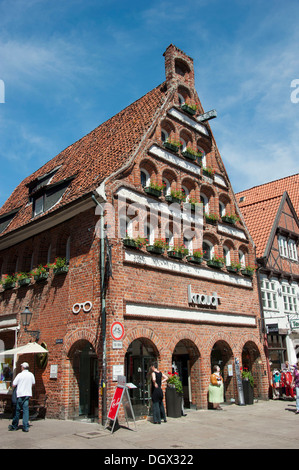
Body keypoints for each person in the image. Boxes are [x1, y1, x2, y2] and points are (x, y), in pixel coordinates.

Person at [8, 362, 35, 432]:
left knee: (17, 411)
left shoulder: (20, 375)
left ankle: (14, 426)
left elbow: (13, 384)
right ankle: (25, 427)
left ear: (22, 367)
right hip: (27, 394)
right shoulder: (31, 375)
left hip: (20, 394)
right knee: (26, 411)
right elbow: (33, 383)